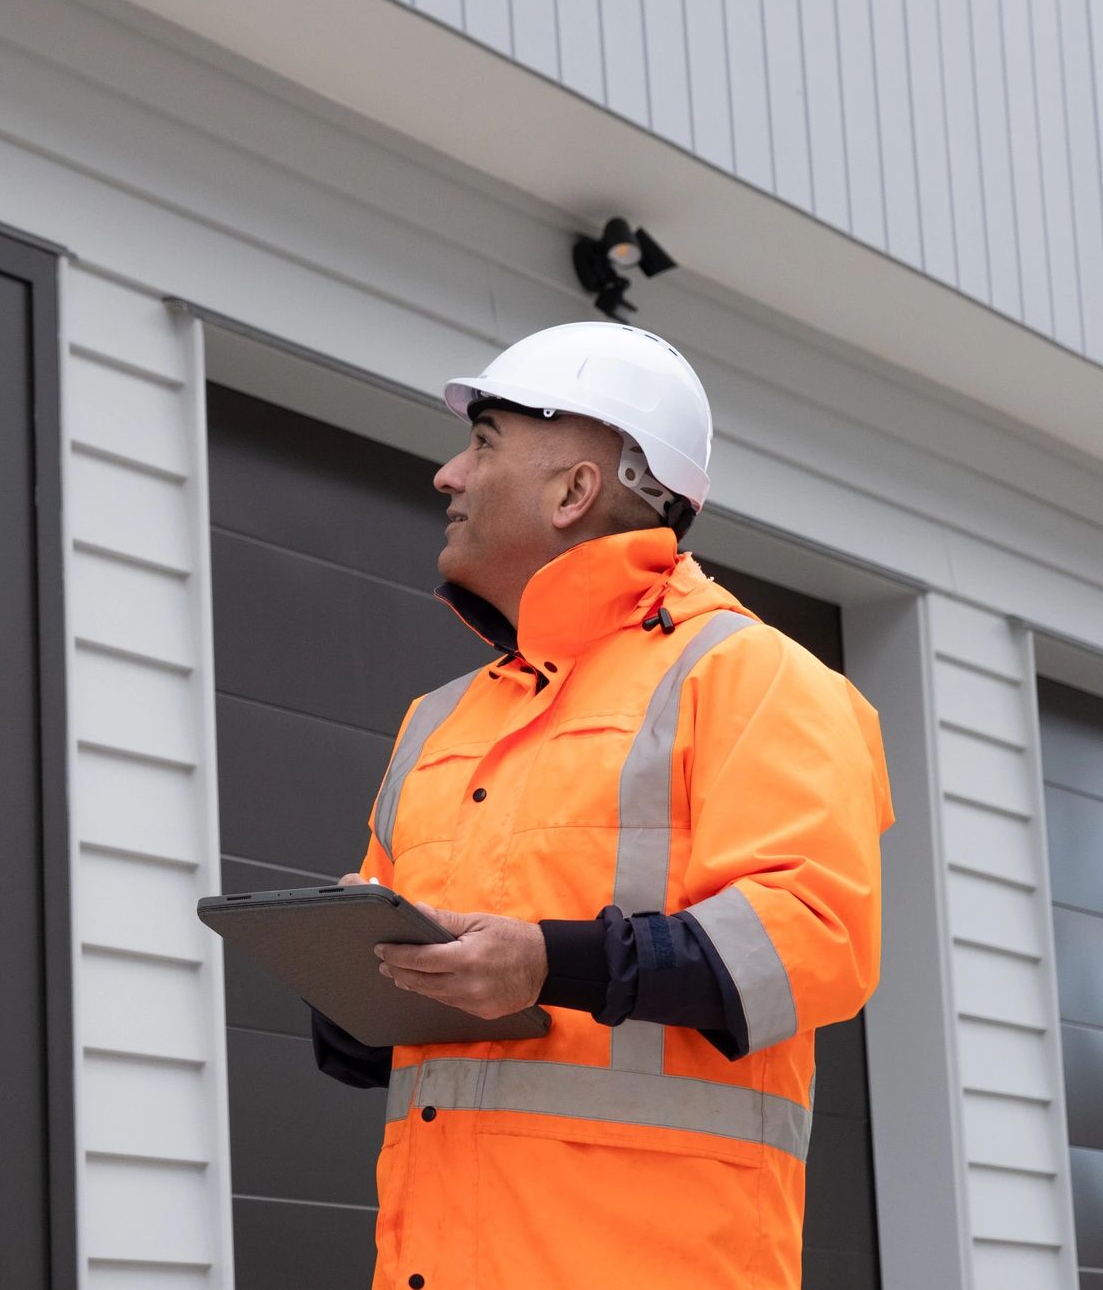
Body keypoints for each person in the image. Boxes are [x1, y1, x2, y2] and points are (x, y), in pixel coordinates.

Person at [312, 321, 893, 1290]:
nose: (447, 475)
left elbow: (814, 938)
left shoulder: (752, 678)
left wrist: (545, 962)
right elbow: (388, 1034)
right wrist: (349, 981)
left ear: (574, 491)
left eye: (483, 442)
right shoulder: (438, 720)